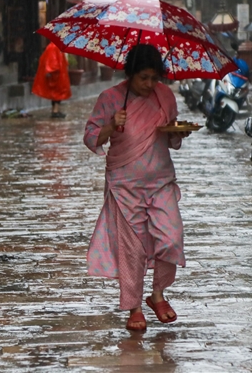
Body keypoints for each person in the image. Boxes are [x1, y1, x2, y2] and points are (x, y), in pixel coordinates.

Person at [83, 44, 193, 332]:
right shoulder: (110, 99)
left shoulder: (165, 96)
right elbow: (91, 136)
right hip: (125, 185)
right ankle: (134, 306)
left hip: (160, 181)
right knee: (132, 248)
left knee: (171, 236)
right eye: (143, 77)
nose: (149, 84)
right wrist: (111, 125)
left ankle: (157, 294)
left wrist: (177, 132)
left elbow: (171, 137)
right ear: (130, 74)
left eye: (154, 78)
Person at [32, 42, 72, 118]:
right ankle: (55, 110)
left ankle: (55, 109)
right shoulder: (54, 47)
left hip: (58, 73)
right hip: (57, 74)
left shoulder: (54, 46)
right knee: (58, 92)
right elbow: (53, 62)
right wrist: (52, 71)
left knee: (56, 93)